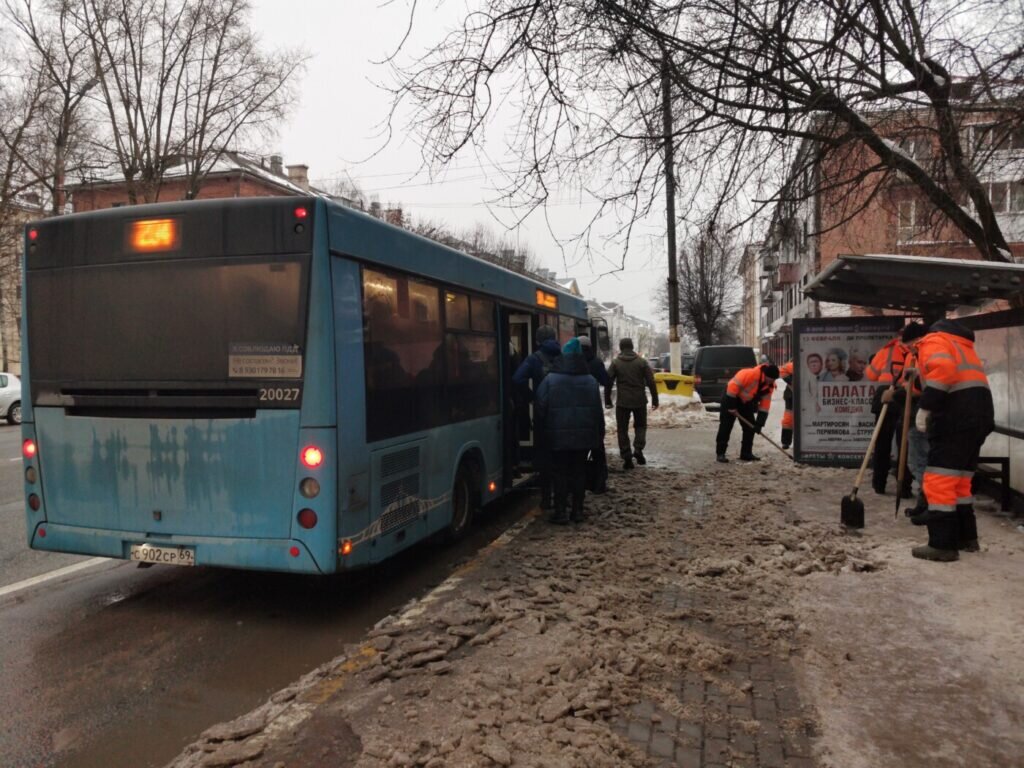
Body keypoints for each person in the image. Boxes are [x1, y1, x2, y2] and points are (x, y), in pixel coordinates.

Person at [912, 319, 994, 561]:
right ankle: (966, 536)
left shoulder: (933, 340)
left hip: (955, 416)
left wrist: (926, 407)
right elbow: (951, 373)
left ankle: (942, 544)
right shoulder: (961, 345)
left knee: (939, 479)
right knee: (960, 482)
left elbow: (943, 372)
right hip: (979, 415)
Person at [535, 338, 605, 524]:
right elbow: (598, 412)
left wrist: (542, 431)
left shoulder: (550, 380)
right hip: (584, 438)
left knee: (560, 473)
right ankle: (578, 511)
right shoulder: (590, 381)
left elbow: (540, 408)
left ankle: (560, 512)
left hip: (557, 437)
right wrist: (599, 436)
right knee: (579, 472)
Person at [865, 324, 925, 494]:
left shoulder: (886, 351)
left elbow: (870, 374)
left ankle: (879, 483)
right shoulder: (915, 351)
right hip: (905, 397)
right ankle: (904, 486)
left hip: (886, 396)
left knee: (882, 443)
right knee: (904, 443)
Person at [512, 325, 562, 508]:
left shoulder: (534, 359)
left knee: (544, 458)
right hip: (562, 415)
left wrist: (532, 397)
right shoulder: (564, 357)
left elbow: (517, 379)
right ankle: (561, 498)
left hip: (543, 416)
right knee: (560, 458)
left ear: (538, 341)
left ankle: (546, 499)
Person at [605, 338, 659, 469]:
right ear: (632, 347)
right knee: (640, 426)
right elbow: (651, 381)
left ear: (621, 347)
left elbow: (608, 382)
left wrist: (608, 400)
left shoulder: (616, 363)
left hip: (623, 402)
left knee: (622, 429)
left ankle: (627, 456)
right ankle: (638, 449)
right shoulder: (642, 362)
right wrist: (655, 399)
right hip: (639, 400)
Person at [716, 363, 780, 462]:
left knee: (750, 427)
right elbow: (732, 387)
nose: (771, 382)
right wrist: (731, 406)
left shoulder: (769, 387)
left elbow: (764, 406)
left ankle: (746, 453)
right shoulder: (749, 374)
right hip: (730, 397)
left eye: (773, 380)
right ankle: (720, 453)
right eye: (770, 379)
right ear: (765, 375)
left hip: (745, 403)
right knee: (726, 426)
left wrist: (759, 424)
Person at [578, 335, 609, 493]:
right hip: (592, 409)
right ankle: (599, 484)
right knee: (597, 449)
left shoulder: (573, 362)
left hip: (576, 410)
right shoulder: (596, 362)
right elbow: (606, 381)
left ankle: (578, 484)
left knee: (578, 452)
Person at [778, 360, 795, 450]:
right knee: (789, 419)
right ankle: (786, 442)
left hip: (807, 396)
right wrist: (791, 381)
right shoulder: (793, 365)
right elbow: (782, 370)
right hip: (791, 396)